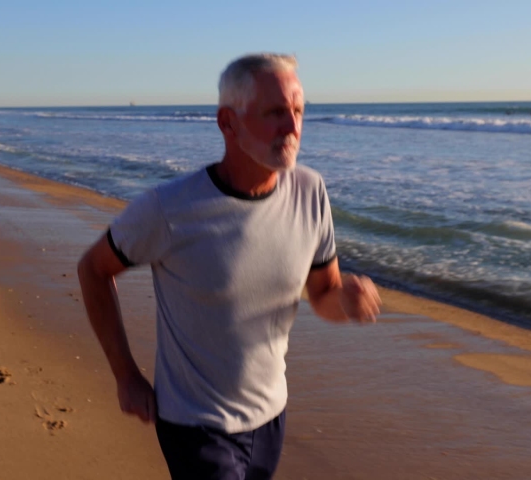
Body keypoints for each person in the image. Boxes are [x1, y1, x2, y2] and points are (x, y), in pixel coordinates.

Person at [77, 53, 382, 479]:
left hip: (270, 417)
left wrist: (346, 302)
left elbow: (323, 295)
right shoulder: (169, 209)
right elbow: (93, 269)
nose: (293, 127)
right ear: (228, 122)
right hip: (195, 425)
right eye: (275, 112)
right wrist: (125, 374)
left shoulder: (310, 192)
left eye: (298, 111)